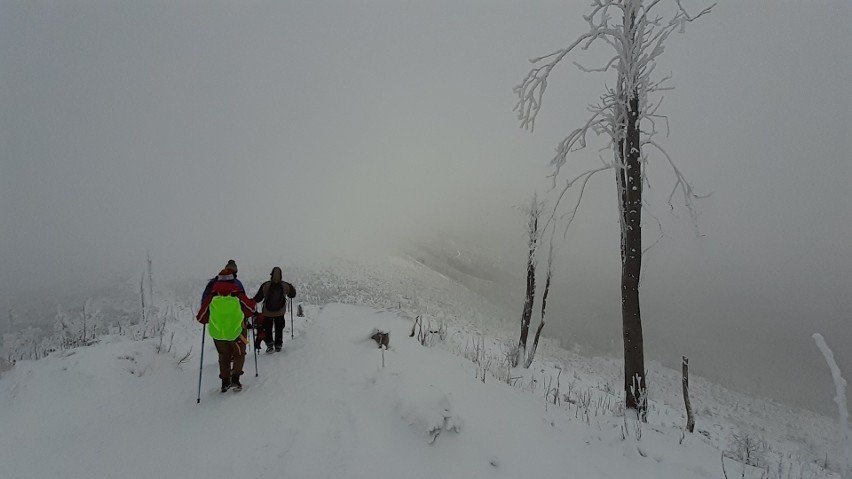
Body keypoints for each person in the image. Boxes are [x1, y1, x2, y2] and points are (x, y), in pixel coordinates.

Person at [196, 260, 256, 392]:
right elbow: (250, 310)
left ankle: (224, 382)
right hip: (237, 331)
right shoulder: (237, 291)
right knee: (239, 354)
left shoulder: (211, 293)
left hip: (218, 332)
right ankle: (235, 379)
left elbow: (201, 317)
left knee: (224, 356)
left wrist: (211, 318)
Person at [253, 266, 296, 353]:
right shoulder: (285, 285)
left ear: (271, 274)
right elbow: (292, 295)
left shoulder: (265, 285)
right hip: (280, 312)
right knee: (279, 328)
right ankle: (278, 345)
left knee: (268, 328)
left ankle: (269, 345)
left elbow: (258, 299)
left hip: (267, 312)